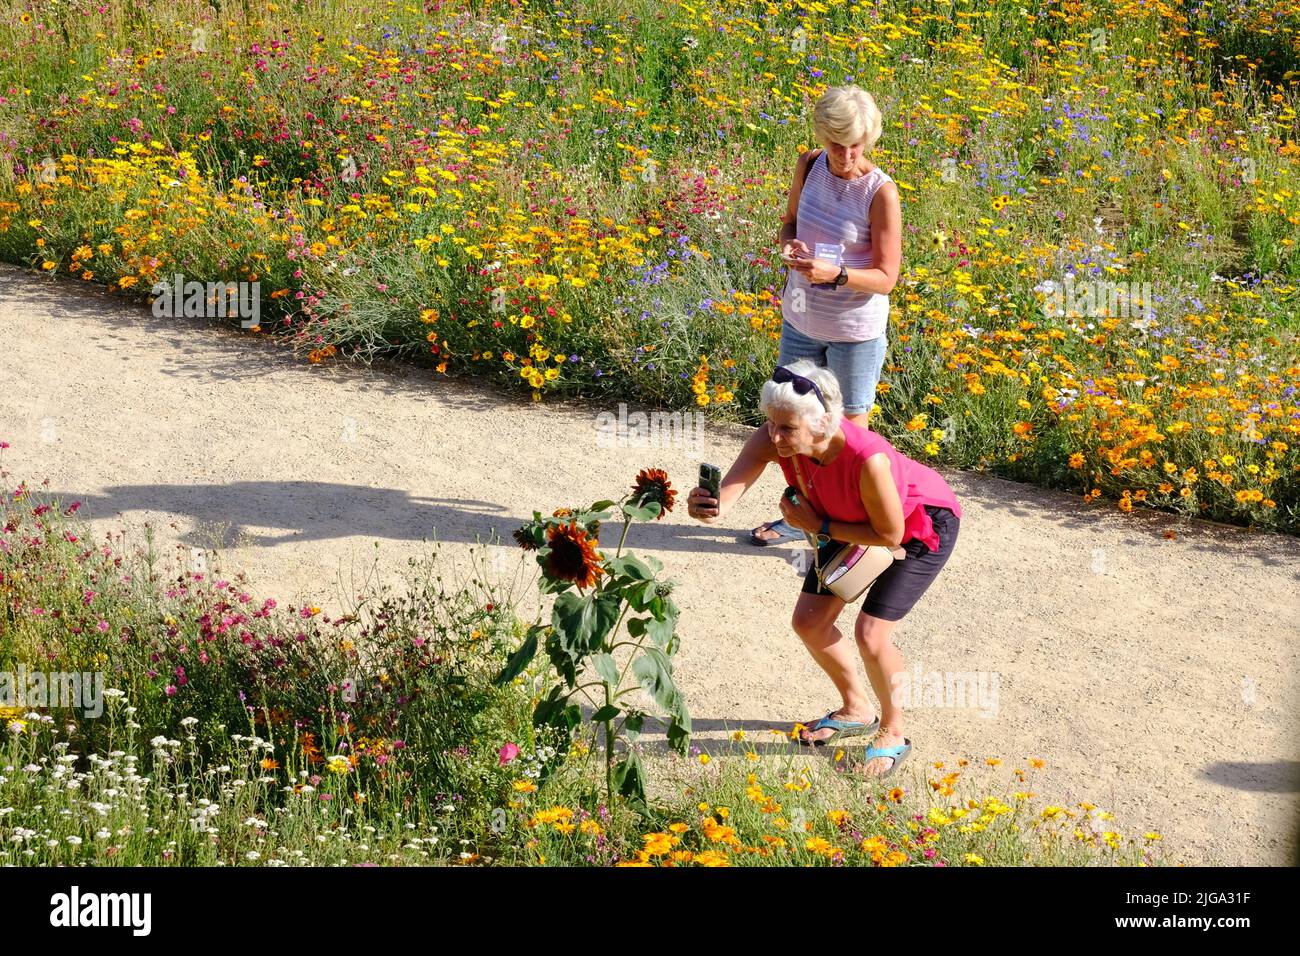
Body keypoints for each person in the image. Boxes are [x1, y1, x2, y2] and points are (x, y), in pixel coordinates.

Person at [687, 360, 961, 778]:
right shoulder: (774, 437)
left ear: (823, 423)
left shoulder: (866, 459)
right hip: (841, 522)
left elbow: (889, 534)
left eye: (787, 429)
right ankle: (856, 709)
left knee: (871, 634)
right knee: (810, 623)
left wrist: (819, 527)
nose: (774, 436)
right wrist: (709, 506)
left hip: (919, 525)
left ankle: (893, 731)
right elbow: (731, 491)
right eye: (771, 424)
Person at [752, 84, 902, 547]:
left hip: (853, 331)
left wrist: (836, 274)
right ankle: (798, 515)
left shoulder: (880, 192)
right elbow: (790, 221)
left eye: (856, 144)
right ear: (822, 136)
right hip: (801, 318)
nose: (846, 153)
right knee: (789, 423)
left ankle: (853, 530)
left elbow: (886, 276)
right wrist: (788, 246)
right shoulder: (809, 164)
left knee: (849, 435)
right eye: (837, 143)